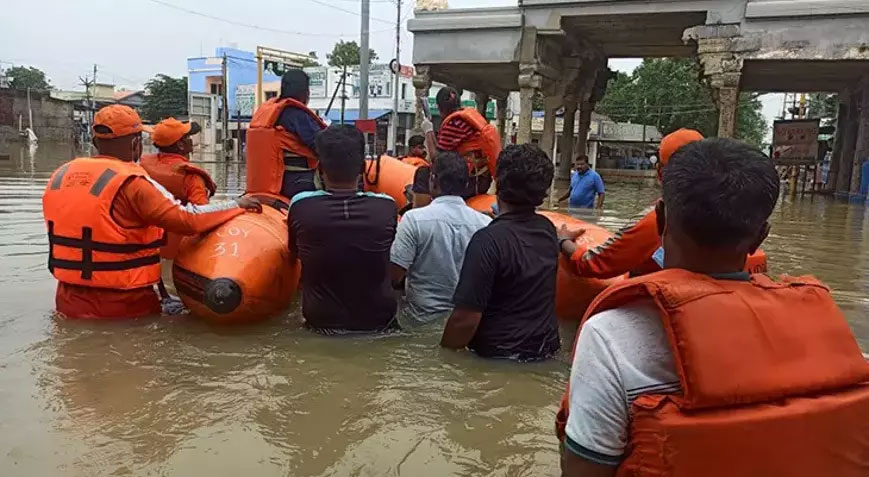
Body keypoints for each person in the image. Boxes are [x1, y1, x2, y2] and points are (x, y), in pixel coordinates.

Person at [558, 138, 869, 477]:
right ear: (760, 237)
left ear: (660, 218)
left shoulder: (610, 336)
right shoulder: (828, 332)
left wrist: (562, 241)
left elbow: (582, 470)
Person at [42, 105, 261, 320]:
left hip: (67, 299)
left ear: (95, 141)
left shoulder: (59, 176)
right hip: (125, 304)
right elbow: (189, 219)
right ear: (137, 143)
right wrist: (237, 204)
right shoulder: (132, 183)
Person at [441, 144, 560, 361]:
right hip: (545, 352)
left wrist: (441, 357)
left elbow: (465, 319)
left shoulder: (486, 241)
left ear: (499, 183)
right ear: (543, 193)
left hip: (498, 358)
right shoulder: (548, 230)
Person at [289, 124, 398, 334]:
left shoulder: (301, 206)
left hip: (322, 325)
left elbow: (294, 253)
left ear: (320, 168)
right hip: (380, 325)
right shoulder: (386, 207)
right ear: (361, 169)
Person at [560, 129, 703, 278]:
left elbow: (595, 263)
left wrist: (563, 241)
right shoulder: (725, 214)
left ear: (660, 172)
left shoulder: (657, 220)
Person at [391, 152, 491, 326]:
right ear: (467, 183)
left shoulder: (414, 220)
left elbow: (394, 275)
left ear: (432, 180)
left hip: (419, 321)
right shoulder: (485, 223)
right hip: (465, 325)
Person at [140, 118, 216, 260]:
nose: (191, 140)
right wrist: (235, 208)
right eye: (187, 137)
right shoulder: (190, 177)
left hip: (147, 250)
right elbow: (202, 217)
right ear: (181, 145)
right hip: (178, 255)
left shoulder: (142, 167)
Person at [246, 69, 327, 201]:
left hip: (268, 184)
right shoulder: (297, 114)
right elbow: (325, 147)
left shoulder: (268, 111)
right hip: (296, 182)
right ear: (305, 92)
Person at [422, 87, 502, 197]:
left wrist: (428, 131)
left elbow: (437, 159)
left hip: (470, 182)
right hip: (481, 178)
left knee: (422, 175)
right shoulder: (468, 118)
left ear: (439, 108)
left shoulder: (454, 124)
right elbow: (442, 149)